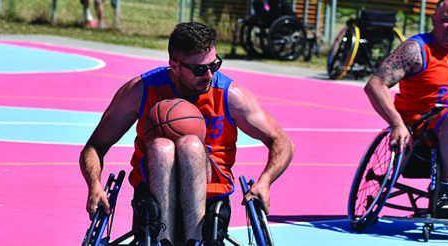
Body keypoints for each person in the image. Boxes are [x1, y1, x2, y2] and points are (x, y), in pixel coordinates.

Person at [79, 22, 294, 245]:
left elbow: (282, 141)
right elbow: (94, 146)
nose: (209, 75)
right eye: (200, 69)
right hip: (153, 188)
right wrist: (94, 186)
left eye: (215, 65)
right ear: (174, 65)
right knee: (162, 148)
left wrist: (265, 181)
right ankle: (163, 240)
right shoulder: (141, 90)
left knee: (191, 145)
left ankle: (195, 241)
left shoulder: (230, 95)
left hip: (211, 191)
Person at [364, 0, 448, 211]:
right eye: (447, 20)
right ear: (434, 20)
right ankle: (443, 190)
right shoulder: (416, 49)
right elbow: (375, 85)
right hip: (422, 126)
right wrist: (396, 124)